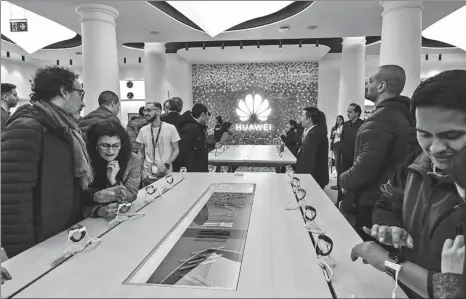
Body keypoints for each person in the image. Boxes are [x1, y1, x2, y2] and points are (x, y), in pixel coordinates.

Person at [350, 70, 466, 299]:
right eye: (425, 134)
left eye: (451, 135)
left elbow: (454, 291)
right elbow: (386, 202)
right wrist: (390, 227)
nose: (435, 148)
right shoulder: (416, 162)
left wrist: (386, 261)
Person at [1, 66, 91, 258]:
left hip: (61, 237)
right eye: (80, 93)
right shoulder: (27, 128)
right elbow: (11, 199)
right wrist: (24, 255)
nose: (83, 102)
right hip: (38, 245)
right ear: (64, 92)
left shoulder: (64, 129)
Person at [339, 65, 416, 240]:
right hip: (395, 199)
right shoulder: (405, 114)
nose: (367, 85)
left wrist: (343, 179)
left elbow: (365, 168)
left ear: (381, 86)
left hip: (373, 203)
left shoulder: (381, 119)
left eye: (371, 81)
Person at [83, 121, 142, 218]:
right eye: (105, 145)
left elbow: (131, 197)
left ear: (122, 145)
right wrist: (98, 210)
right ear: (96, 145)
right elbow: (78, 199)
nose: (110, 151)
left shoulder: (133, 160)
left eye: (115, 146)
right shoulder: (85, 160)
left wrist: (114, 181)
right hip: (89, 219)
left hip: (120, 215)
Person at [137, 101, 180, 186]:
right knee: (149, 199)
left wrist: (166, 165)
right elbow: (140, 151)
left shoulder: (170, 128)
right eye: (144, 111)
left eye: (148, 110)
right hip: (148, 176)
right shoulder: (143, 130)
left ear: (158, 111)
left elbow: (176, 150)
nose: (145, 113)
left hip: (166, 175)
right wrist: (142, 170)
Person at [337, 103, 364, 205]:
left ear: (357, 113)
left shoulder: (362, 125)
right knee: (341, 178)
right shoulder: (345, 124)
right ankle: (339, 200)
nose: (347, 113)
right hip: (344, 156)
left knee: (352, 181)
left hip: (355, 158)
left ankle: (349, 203)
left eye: (350, 112)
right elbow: (342, 139)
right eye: (347, 111)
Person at [295, 107, 329, 189]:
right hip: (314, 177)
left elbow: (309, 160)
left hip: (313, 179)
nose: (300, 119)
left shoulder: (313, 135)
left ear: (309, 119)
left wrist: (303, 178)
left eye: (302, 117)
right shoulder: (314, 132)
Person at [178, 103, 211, 172]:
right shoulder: (190, 128)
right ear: (202, 114)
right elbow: (183, 150)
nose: (208, 118)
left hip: (198, 169)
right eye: (207, 114)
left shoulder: (198, 127)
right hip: (193, 171)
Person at [330, 115, 344, 190]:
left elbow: (343, 136)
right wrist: (333, 134)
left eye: (340, 120)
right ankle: (338, 183)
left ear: (342, 120)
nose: (338, 121)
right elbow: (331, 137)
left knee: (339, 165)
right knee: (336, 164)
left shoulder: (344, 127)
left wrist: (338, 134)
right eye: (337, 120)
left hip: (340, 145)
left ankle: (339, 184)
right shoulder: (334, 127)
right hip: (335, 145)